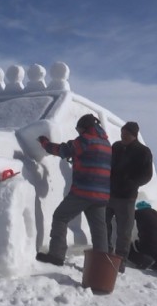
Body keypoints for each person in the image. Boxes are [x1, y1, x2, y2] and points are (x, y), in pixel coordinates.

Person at [35, 114, 112, 266]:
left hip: (83, 191)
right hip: (102, 195)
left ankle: (56, 255)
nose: (78, 132)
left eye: (79, 129)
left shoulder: (86, 139)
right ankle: (101, 265)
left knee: (60, 217)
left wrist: (45, 143)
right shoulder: (106, 143)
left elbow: (63, 150)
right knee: (99, 230)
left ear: (85, 127)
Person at [106, 121, 153, 273]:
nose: (122, 137)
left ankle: (120, 261)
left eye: (126, 134)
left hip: (127, 198)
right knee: (103, 223)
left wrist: (131, 183)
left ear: (134, 135)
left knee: (124, 231)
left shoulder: (143, 151)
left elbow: (147, 175)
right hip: (110, 194)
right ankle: (106, 254)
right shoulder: (116, 147)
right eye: (122, 134)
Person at [127, 201, 157, 270]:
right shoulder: (155, 216)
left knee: (128, 250)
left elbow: (127, 214)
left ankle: (144, 261)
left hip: (151, 246)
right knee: (141, 244)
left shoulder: (140, 213)